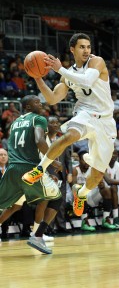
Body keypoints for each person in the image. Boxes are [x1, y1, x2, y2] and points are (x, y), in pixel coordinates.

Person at [22, 33, 117, 218]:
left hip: (105, 121)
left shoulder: (96, 62)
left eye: (88, 47)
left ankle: (80, 194)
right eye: (82, 47)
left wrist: (60, 69)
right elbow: (52, 98)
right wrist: (37, 77)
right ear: (72, 49)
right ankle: (39, 170)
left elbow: (87, 80)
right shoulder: (68, 75)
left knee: (97, 175)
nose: (86, 51)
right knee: (70, 135)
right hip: (85, 114)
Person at [0, 95, 62, 254]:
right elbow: (39, 140)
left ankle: (37, 231)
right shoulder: (38, 119)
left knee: (8, 204)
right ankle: (38, 235)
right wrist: (53, 161)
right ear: (27, 107)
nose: (40, 104)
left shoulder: (14, 123)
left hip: (12, 169)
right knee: (56, 198)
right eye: (36, 102)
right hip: (29, 169)